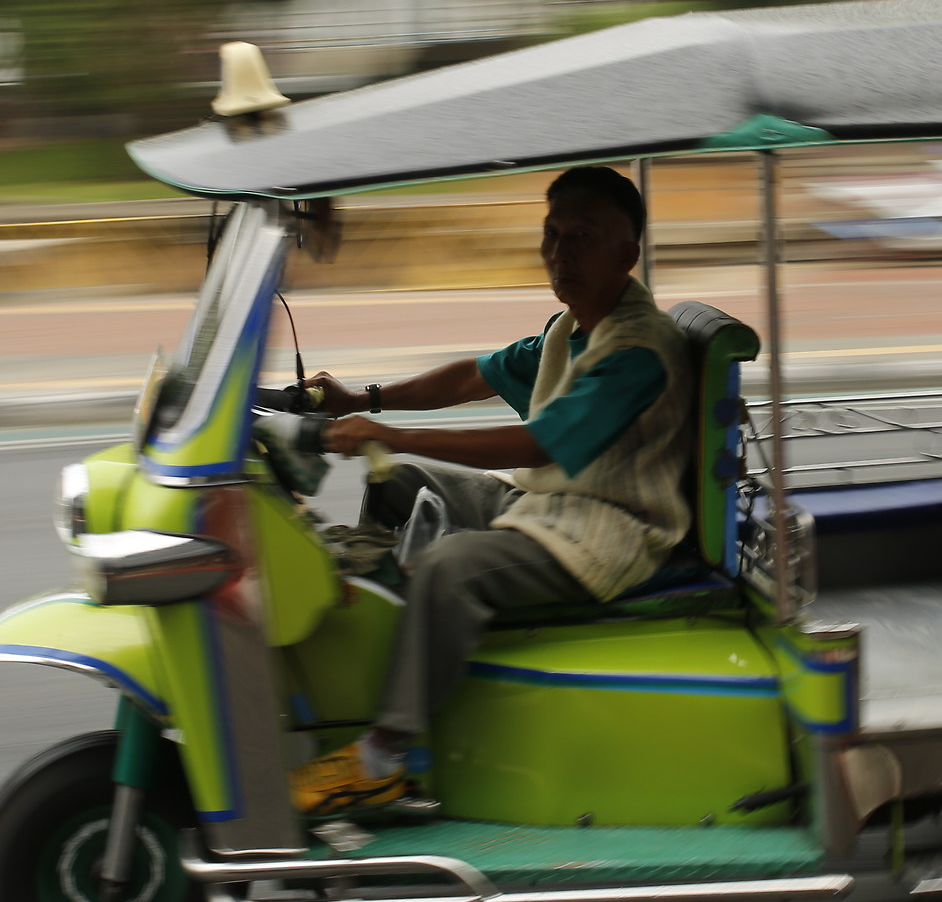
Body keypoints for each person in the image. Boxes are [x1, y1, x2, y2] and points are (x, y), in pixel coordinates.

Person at [288, 165, 691, 816]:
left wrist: (395, 437)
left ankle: (383, 758)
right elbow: (473, 377)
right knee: (404, 488)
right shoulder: (573, 328)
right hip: (550, 504)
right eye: (552, 233)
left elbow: (534, 445)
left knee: (451, 567)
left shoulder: (637, 348)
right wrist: (364, 399)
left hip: (611, 530)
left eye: (583, 236)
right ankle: (396, 655)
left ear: (627, 254)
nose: (561, 252)